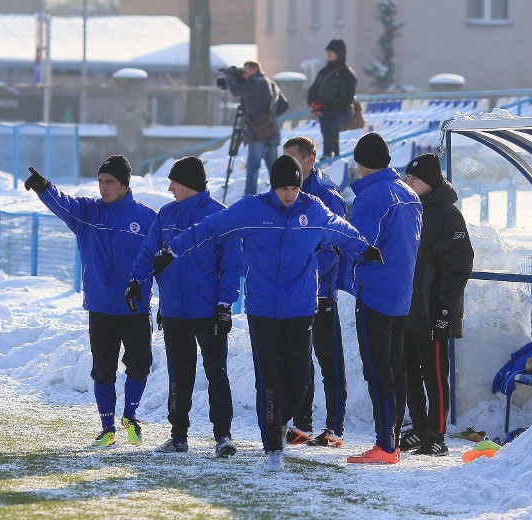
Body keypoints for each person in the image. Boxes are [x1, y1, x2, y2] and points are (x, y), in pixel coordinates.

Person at [151, 154, 382, 472]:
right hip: (262, 309)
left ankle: (278, 422)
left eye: (294, 188)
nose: (289, 194)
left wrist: (364, 247)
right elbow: (209, 229)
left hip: (301, 308)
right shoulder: (251, 210)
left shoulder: (312, 209)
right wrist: (173, 249)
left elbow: (338, 229)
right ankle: (273, 447)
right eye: (283, 188)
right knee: (270, 380)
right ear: (273, 187)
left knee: (300, 379)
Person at [24, 156, 157, 447]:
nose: (103, 187)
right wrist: (43, 187)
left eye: (110, 181)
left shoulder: (146, 218)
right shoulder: (87, 212)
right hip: (100, 307)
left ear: (124, 184)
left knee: (139, 365)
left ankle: (130, 417)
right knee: (103, 369)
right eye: (100, 181)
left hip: (135, 308)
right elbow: (62, 203)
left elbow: (160, 259)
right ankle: (107, 428)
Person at [125, 156, 243, 457]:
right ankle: (178, 435)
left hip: (209, 312)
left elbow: (232, 265)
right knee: (179, 374)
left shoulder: (220, 216)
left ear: (188, 183)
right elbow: (148, 252)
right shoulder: (166, 215)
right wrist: (136, 281)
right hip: (175, 310)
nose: (169, 187)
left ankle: (223, 436)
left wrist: (225, 304)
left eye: (173, 181)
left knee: (216, 371)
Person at [343, 133, 423, 465]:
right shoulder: (408, 193)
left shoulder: (373, 196)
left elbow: (358, 243)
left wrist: (335, 242)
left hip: (375, 292)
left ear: (361, 163)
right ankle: (392, 442)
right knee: (395, 369)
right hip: (402, 292)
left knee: (378, 371)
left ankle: (385, 445)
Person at [400, 153, 474, 456]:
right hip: (407, 309)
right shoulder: (410, 208)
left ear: (429, 183)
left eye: (413, 179)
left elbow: (458, 266)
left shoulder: (447, 215)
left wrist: (444, 311)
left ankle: (437, 434)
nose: (408, 183)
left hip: (432, 312)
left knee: (434, 375)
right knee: (409, 373)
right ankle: (418, 428)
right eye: (407, 177)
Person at [282, 137, 348, 448]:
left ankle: (335, 428)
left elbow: (333, 247)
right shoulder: (284, 192)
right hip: (293, 292)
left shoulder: (326, 196)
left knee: (329, 359)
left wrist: (311, 278)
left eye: (293, 159)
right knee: (299, 359)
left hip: (319, 293)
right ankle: (302, 424)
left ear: (310, 160)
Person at [225, 60, 289, 196]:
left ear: (254, 70)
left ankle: (249, 196)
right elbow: (284, 105)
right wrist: (269, 117)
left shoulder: (255, 82)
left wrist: (229, 77)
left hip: (257, 134)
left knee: (252, 168)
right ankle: (281, 195)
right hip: (271, 131)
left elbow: (236, 90)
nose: (243, 74)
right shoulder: (270, 83)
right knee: (273, 169)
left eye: (245, 71)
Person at [307, 39, 357, 160]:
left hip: (342, 111)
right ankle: (330, 154)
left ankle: (331, 154)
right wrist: (313, 103)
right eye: (328, 51)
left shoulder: (347, 74)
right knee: (327, 120)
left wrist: (327, 106)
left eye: (332, 51)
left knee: (330, 119)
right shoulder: (323, 72)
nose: (329, 53)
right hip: (325, 111)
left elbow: (347, 99)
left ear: (340, 53)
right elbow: (312, 91)